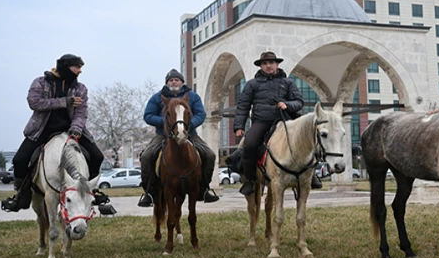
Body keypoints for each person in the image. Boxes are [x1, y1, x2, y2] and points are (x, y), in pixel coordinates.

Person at [2, 54, 106, 212]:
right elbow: (34, 102)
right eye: (77, 67)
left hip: (71, 130)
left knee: (97, 156)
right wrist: (64, 101)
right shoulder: (40, 82)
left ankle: (90, 191)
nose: (80, 71)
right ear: (65, 67)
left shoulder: (80, 88)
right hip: (41, 131)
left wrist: (76, 129)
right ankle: (21, 194)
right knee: (19, 160)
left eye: (81, 68)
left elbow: (81, 112)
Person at [234, 51, 321, 196]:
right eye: (265, 63)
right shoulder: (251, 84)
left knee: (310, 141)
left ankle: (312, 175)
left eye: (271, 63)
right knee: (249, 144)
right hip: (261, 121)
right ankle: (249, 180)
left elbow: (299, 102)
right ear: (261, 66)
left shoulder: (288, 83)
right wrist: (239, 126)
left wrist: (287, 105)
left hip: (284, 119)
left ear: (277, 64)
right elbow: (243, 105)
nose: (268, 66)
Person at [137, 69, 219, 206]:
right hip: (163, 135)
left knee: (209, 155)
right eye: (171, 80)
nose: (174, 82)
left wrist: (188, 125)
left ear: (182, 82)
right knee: (146, 156)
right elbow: (148, 115)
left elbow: (201, 114)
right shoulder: (157, 97)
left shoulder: (193, 97)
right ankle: (150, 193)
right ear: (167, 83)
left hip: (189, 134)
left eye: (177, 79)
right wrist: (166, 123)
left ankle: (203, 189)